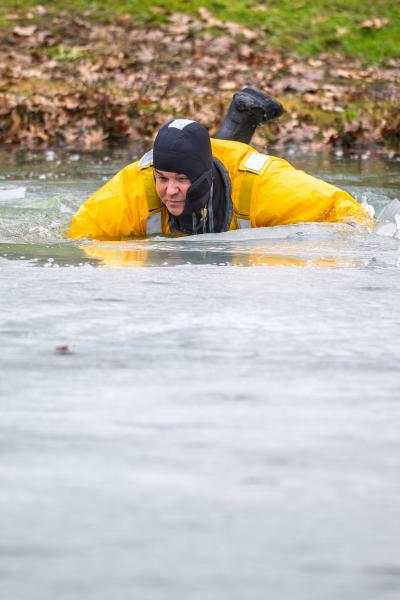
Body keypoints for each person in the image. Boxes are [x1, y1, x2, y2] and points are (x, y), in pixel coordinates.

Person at [67, 88, 372, 240]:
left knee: (218, 181)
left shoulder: (268, 186)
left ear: (200, 175)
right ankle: (243, 115)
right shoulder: (135, 187)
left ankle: (243, 117)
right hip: (206, 169)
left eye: (181, 180)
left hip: (236, 179)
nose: (170, 191)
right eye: (164, 178)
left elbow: (348, 217)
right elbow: (82, 237)